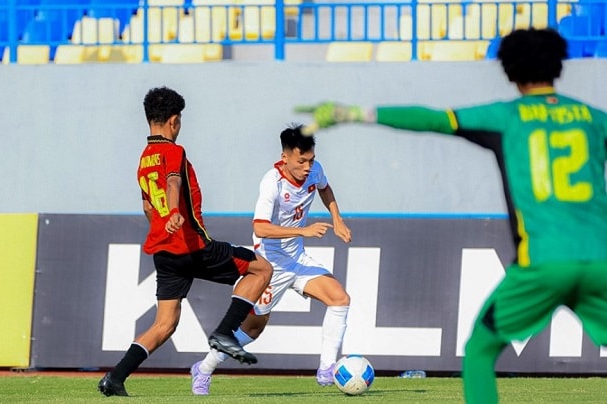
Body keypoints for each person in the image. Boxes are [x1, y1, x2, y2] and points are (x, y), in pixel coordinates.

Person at [297, 28, 607, 403]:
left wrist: (356, 114)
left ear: (508, 71)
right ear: (559, 66)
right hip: (600, 262)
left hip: (542, 263)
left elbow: (434, 119)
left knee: (479, 352)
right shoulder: (594, 119)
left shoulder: (506, 117)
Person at [98, 86, 273, 397]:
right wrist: (175, 212)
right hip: (191, 245)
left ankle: (115, 377)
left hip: (164, 252)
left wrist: (164, 223)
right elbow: (173, 181)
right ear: (174, 120)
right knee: (261, 269)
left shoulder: (144, 160)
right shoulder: (173, 151)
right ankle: (224, 333)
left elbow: (147, 207)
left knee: (165, 324)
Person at [189, 124, 352, 395]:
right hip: (270, 265)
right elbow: (260, 228)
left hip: (297, 258)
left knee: (340, 299)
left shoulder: (315, 170)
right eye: (301, 161)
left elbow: (325, 188)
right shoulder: (271, 183)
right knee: (251, 330)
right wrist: (303, 231)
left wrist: (337, 219)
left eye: (311, 160)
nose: (307, 167)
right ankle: (204, 369)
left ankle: (326, 367)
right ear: (284, 157)